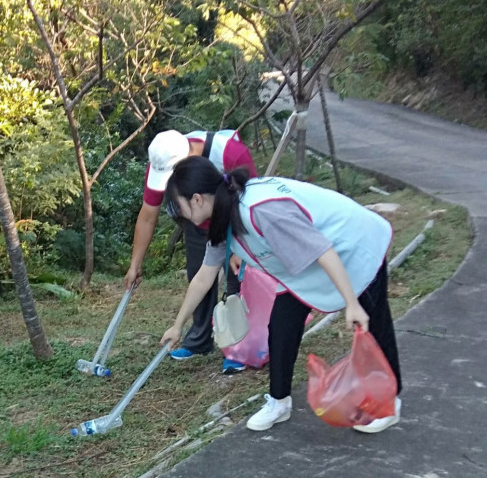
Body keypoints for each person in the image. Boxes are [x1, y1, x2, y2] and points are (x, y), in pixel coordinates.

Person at [159, 157, 402, 433]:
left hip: (353, 244)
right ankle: (279, 401)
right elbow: (204, 276)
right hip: (304, 265)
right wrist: (177, 325)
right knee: (281, 325)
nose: (178, 214)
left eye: (178, 206)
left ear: (198, 199)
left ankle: (389, 404)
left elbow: (322, 250)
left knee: (372, 320)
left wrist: (351, 303)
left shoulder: (260, 210)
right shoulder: (221, 217)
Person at [125, 129, 257, 371]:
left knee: (236, 279)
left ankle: (238, 347)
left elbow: (250, 201)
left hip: (235, 218)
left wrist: (240, 247)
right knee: (199, 273)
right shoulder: (161, 161)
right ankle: (199, 340)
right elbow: (147, 216)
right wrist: (135, 265)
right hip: (196, 218)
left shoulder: (229, 152)